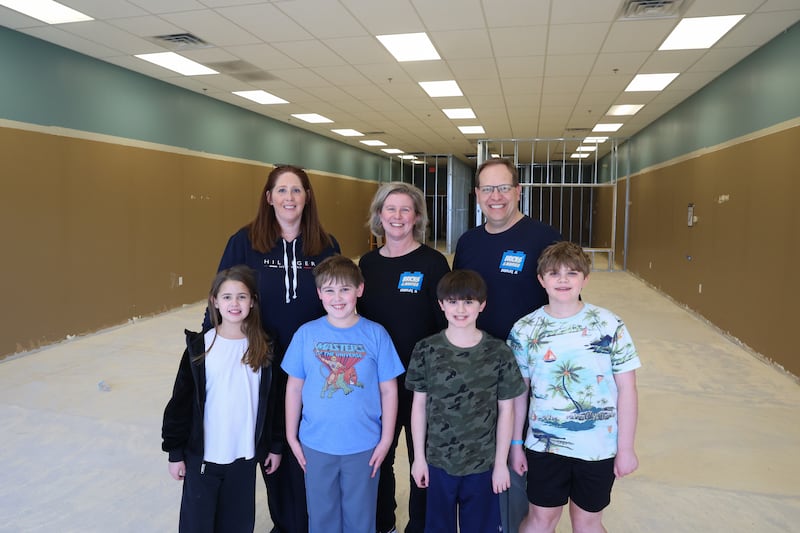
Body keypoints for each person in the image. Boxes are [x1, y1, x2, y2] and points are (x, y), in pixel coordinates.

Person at [206, 165, 340, 533]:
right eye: (281, 190)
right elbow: (222, 295)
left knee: (309, 446)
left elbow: (339, 300)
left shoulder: (325, 245)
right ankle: (286, 523)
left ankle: (313, 521)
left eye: (296, 190)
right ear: (269, 197)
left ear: (307, 197)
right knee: (271, 448)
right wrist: (209, 346)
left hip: (314, 365)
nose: (289, 198)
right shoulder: (245, 241)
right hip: (260, 361)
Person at [453, 157, 561, 533]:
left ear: (518, 191)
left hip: (530, 372)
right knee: (483, 450)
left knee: (521, 455)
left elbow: (563, 300)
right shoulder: (468, 243)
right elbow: (458, 301)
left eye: (503, 188)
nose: (495, 196)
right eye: (488, 189)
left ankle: (518, 523)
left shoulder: (543, 238)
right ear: (477, 194)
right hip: (478, 369)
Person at [507, 242, 641, 533]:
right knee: (541, 519)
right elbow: (519, 393)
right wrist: (516, 444)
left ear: (586, 279)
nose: (563, 280)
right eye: (554, 273)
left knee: (587, 523)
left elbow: (628, 390)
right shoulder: (524, 329)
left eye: (572, 273)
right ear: (541, 280)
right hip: (543, 446)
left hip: (598, 448)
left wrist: (626, 448)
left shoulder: (609, 324)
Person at [282, 255, 405, 533]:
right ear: (319, 293)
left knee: (360, 518)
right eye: (329, 290)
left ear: (359, 289)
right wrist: (291, 436)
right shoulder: (306, 334)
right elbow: (294, 387)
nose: (337, 298)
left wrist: (386, 439)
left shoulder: (376, 334)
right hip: (316, 443)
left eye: (345, 289)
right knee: (321, 517)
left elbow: (389, 390)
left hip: (363, 445)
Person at [358, 181, 451, 533]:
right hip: (377, 381)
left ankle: (421, 525)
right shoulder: (367, 264)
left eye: (405, 210)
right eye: (390, 209)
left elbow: (447, 324)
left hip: (423, 382)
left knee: (421, 459)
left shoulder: (433, 263)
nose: (397, 216)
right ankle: (382, 523)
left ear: (416, 217)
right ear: (379, 215)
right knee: (377, 457)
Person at [162, 265, 282, 533]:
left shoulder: (265, 348)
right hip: (203, 458)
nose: (234, 303)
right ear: (215, 301)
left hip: (244, 457)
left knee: (238, 524)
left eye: (242, 296)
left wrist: (274, 445)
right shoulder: (200, 348)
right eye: (227, 297)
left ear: (252, 301)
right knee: (197, 525)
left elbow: (273, 403)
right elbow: (180, 404)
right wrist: (175, 452)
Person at [405, 269, 527, 533]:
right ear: (441, 304)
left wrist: (501, 464)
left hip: (483, 465)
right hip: (438, 463)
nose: (460, 309)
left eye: (469, 301)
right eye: (453, 302)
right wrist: (419, 459)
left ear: (482, 305)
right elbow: (418, 406)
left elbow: (507, 410)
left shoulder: (498, 352)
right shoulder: (426, 349)